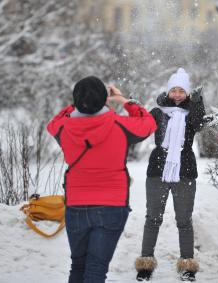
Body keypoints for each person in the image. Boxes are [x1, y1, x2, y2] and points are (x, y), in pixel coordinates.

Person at [47, 76, 157, 283]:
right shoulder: (120, 125)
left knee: (78, 266)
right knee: (96, 269)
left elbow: (53, 123)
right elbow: (149, 123)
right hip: (112, 206)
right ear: (104, 100)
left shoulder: (63, 128)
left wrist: (81, 101)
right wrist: (124, 101)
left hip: (76, 206)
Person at [134, 68, 205, 282]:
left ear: (187, 93)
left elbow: (199, 123)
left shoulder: (192, 112)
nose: (176, 94)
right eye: (173, 90)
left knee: (184, 220)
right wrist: (134, 110)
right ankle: (145, 263)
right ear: (168, 91)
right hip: (157, 170)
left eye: (181, 91)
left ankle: (187, 265)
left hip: (185, 172)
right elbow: (140, 129)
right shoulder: (157, 113)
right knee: (152, 219)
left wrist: (197, 102)